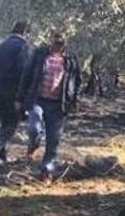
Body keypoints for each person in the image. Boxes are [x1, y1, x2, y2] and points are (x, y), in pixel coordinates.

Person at [21, 32, 81, 182]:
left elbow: (77, 81)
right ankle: (33, 146)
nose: (57, 45)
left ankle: (46, 170)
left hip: (58, 105)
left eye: (60, 43)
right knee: (34, 128)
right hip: (37, 100)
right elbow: (27, 75)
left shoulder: (71, 60)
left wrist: (74, 100)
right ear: (50, 41)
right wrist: (19, 97)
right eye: (55, 42)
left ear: (65, 44)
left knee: (54, 139)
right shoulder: (40, 55)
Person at [0, 21, 33, 161]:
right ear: (25, 32)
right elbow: (24, 70)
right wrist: (25, 94)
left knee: (5, 122)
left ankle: (2, 154)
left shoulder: (2, 46)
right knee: (12, 123)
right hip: (13, 91)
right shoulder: (23, 47)